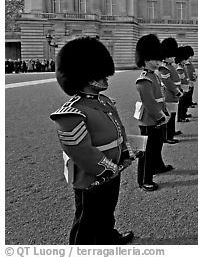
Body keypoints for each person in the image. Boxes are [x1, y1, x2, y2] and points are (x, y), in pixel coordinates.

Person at [49, 36, 135, 244]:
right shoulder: (72, 113)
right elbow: (81, 151)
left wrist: (125, 152)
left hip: (113, 168)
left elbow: (118, 129)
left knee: (107, 209)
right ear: (86, 77)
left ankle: (107, 236)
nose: (106, 78)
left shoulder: (103, 101)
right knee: (87, 220)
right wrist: (106, 168)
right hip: (93, 175)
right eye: (100, 74)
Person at [135, 34, 173, 192]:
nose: (158, 61)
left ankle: (158, 166)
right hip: (150, 120)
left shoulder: (154, 77)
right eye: (154, 59)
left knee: (157, 146)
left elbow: (160, 99)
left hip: (158, 118)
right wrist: (160, 116)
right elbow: (150, 103)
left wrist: (165, 112)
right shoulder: (144, 79)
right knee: (147, 151)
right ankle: (144, 179)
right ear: (145, 59)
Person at [159, 38, 182, 144]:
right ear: (167, 56)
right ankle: (167, 136)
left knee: (172, 115)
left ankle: (171, 132)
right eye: (172, 56)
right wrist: (177, 91)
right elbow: (167, 82)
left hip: (174, 94)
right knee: (169, 116)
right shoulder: (164, 68)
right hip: (169, 94)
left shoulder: (170, 66)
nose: (174, 57)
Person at [175, 46, 191, 123]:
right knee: (182, 103)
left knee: (184, 103)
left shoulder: (182, 67)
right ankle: (181, 117)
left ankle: (183, 115)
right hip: (182, 87)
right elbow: (182, 79)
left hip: (185, 87)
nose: (186, 61)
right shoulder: (180, 69)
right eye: (185, 59)